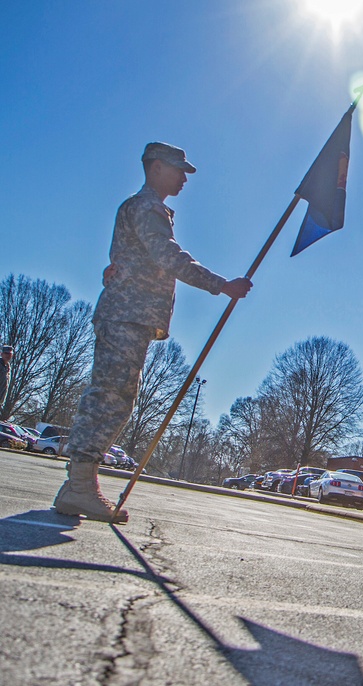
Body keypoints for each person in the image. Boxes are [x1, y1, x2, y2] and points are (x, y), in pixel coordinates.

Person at [53, 142, 252, 524]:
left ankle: (78, 484)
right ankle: (79, 487)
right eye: (179, 169)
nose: (183, 178)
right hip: (126, 315)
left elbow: (128, 258)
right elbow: (168, 256)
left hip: (129, 315)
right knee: (110, 396)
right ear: (156, 167)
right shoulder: (147, 208)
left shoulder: (143, 208)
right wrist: (221, 285)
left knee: (115, 396)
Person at [0, 344, 13, 416]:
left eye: (10, 354)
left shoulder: (7, 367)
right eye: (6, 353)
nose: (8, 355)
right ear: (1, 354)